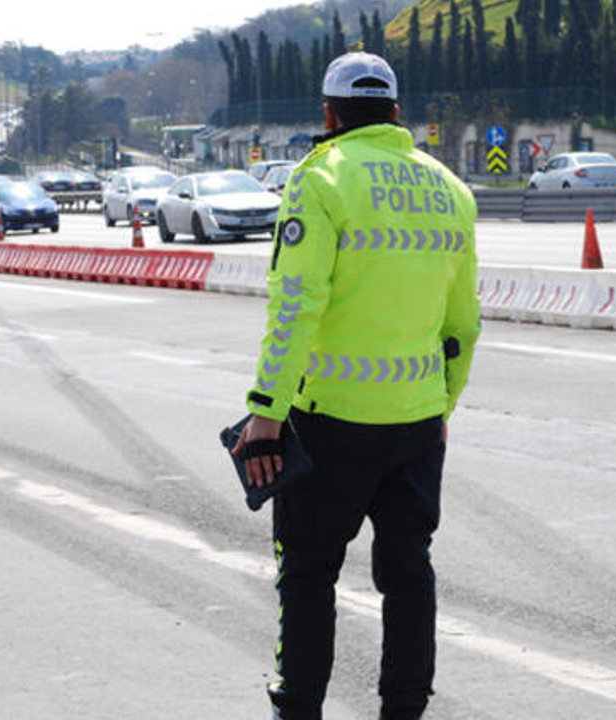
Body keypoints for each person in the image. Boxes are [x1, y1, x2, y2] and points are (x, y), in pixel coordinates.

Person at [232, 52, 481, 720]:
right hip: (419, 423)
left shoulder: (320, 180)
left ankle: (301, 709)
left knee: (308, 577)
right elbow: (463, 325)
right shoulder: (450, 189)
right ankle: (403, 711)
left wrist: (265, 412)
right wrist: (441, 406)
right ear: (397, 114)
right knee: (408, 576)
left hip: (330, 424)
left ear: (329, 114)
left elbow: (296, 306)